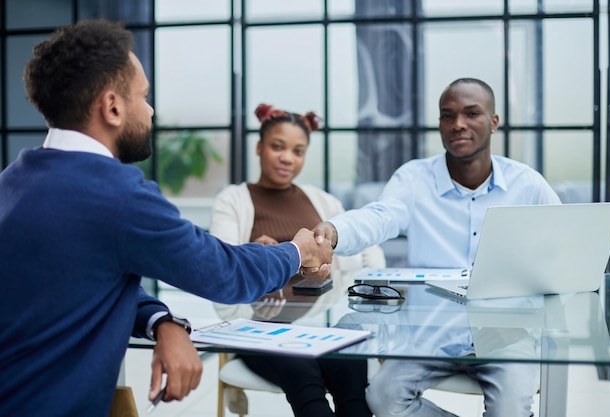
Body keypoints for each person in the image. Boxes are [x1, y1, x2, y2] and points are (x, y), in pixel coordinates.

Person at [0, 19, 332, 417]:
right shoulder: (120, 196)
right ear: (113, 107)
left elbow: (82, 279)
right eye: (144, 96)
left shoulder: (13, 181)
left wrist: (163, 321)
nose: (151, 109)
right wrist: (298, 251)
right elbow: (227, 274)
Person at [312, 78, 562, 417]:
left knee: (510, 410)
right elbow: (379, 217)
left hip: (507, 335)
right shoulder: (414, 179)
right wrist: (334, 231)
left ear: (493, 122)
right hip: (430, 332)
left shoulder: (527, 184)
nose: (458, 124)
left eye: (472, 113)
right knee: (384, 398)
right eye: (448, 116)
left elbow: (565, 244)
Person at [209, 103, 386, 417]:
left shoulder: (322, 201)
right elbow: (221, 272)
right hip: (258, 330)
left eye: (298, 151)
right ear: (259, 147)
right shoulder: (234, 200)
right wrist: (256, 255)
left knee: (352, 382)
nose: (287, 158)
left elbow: (370, 252)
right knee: (305, 379)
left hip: (320, 326)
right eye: (278, 147)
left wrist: (344, 265)